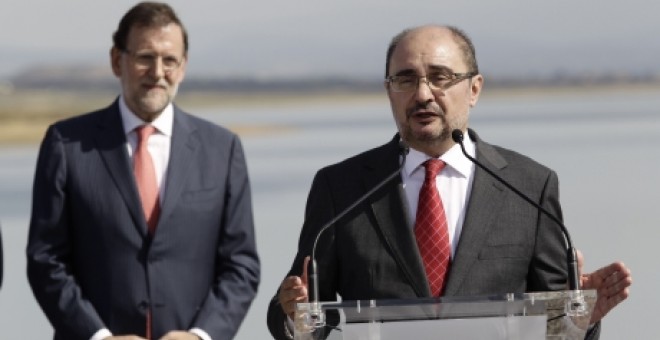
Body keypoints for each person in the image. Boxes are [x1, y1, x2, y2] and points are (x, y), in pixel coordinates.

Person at [267, 25, 632, 340]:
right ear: (389, 90)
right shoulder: (341, 187)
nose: (423, 94)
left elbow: (556, 326)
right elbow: (298, 312)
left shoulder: (530, 185)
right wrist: (293, 313)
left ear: (474, 89)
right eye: (406, 79)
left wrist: (578, 312)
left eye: (441, 77)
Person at [26, 2, 260, 340]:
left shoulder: (222, 149)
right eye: (145, 57)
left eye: (169, 60)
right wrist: (99, 337)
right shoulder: (66, 144)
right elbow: (46, 259)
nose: (157, 72)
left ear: (183, 66)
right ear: (116, 60)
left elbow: (241, 265)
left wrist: (201, 335)